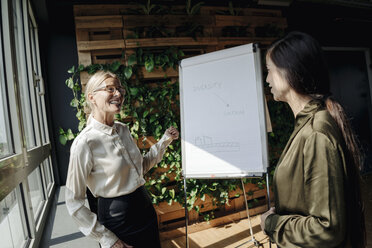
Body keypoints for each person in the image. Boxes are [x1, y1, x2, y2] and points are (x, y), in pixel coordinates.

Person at [260, 31, 366, 248]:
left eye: (269, 70)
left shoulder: (316, 132)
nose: (267, 78)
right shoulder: (306, 125)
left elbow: (327, 230)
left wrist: (272, 224)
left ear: (290, 71)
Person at [65, 70, 179, 248]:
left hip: (145, 209)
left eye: (119, 89)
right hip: (118, 222)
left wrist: (165, 140)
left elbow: (140, 168)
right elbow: (74, 202)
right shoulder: (85, 143)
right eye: (110, 89)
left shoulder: (123, 130)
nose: (118, 94)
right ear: (92, 97)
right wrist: (108, 239)